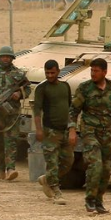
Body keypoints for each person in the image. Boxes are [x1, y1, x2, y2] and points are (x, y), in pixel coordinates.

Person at [69, 57, 111, 215]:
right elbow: (73, 111)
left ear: (104, 72)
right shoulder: (85, 88)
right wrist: (72, 130)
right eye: (91, 70)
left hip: (107, 134)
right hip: (90, 131)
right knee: (95, 165)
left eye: (96, 71)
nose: (93, 73)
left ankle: (99, 201)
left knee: (106, 169)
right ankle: (90, 200)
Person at [0, 45, 31, 181]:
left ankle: (10, 169)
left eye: (8, 57)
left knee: (11, 141)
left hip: (12, 113)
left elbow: (28, 89)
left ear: (12, 58)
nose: (5, 59)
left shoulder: (19, 74)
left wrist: (19, 94)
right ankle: (0, 169)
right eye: (3, 56)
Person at [32, 59, 74, 205]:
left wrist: (72, 128)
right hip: (50, 131)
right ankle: (56, 192)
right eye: (47, 73)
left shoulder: (65, 86)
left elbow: (70, 109)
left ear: (58, 71)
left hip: (64, 131)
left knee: (68, 161)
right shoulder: (42, 88)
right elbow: (37, 110)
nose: (50, 75)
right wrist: (38, 129)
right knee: (52, 163)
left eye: (52, 73)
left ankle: (47, 179)